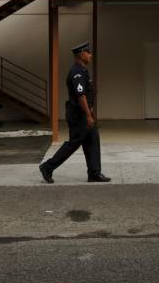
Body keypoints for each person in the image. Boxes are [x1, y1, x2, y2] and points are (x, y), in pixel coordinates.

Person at [39, 42, 110, 184]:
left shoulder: (83, 70)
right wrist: (88, 116)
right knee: (74, 143)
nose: (90, 55)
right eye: (88, 52)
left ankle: (94, 173)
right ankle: (47, 167)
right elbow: (81, 96)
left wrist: (90, 111)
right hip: (78, 114)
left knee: (92, 140)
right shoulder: (77, 72)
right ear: (81, 54)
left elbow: (87, 95)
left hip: (85, 112)